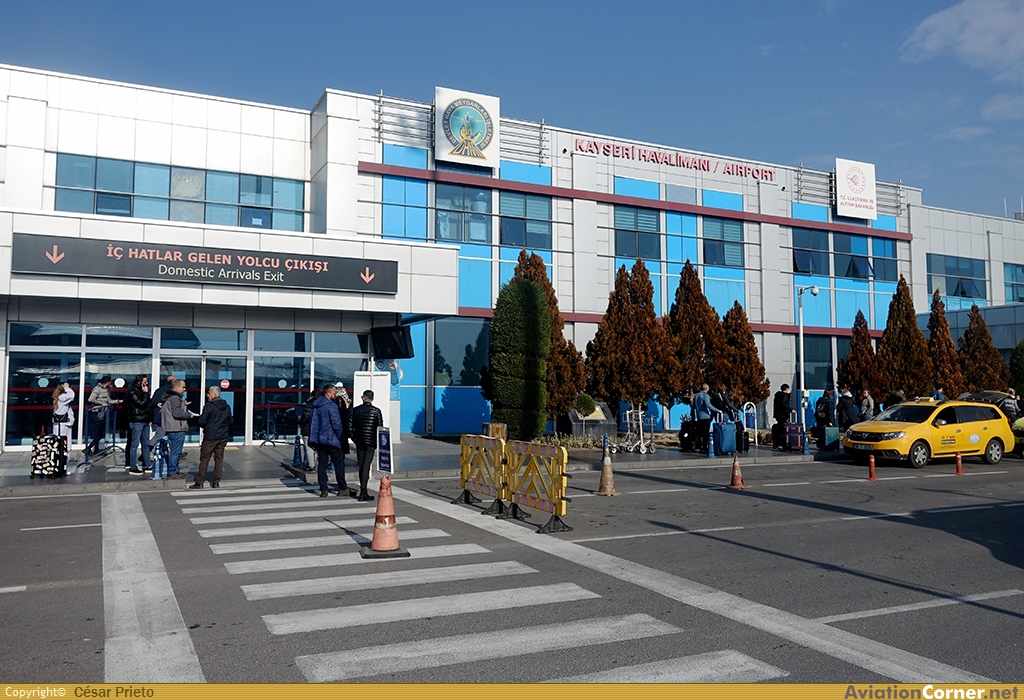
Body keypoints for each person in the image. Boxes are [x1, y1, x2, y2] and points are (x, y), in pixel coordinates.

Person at [309, 383, 349, 497]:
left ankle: (323, 489)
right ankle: (342, 488)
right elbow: (336, 424)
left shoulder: (316, 405)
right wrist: (341, 437)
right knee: (338, 464)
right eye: (334, 393)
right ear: (328, 393)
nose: (335, 394)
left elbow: (313, 423)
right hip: (331, 439)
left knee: (322, 464)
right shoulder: (331, 406)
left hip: (320, 440)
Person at [189, 386, 232, 489]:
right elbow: (230, 420)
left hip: (211, 436)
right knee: (219, 458)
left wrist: (205, 425)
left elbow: (202, 421)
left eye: (209, 393)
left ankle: (199, 482)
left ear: (215, 395)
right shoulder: (226, 406)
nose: (208, 395)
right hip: (222, 435)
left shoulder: (209, 406)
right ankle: (216, 482)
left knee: (205, 458)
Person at [349, 389, 384, 501]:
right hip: (371, 443)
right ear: (372, 399)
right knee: (366, 466)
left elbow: (349, 427)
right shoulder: (376, 411)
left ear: (363, 398)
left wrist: (354, 438)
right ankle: (363, 492)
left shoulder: (355, 410)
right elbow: (380, 428)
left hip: (359, 442)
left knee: (361, 465)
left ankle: (363, 490)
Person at [161, 379, 197, 479]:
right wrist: (189, 415)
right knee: (175, 452)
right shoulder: (175, 398)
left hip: (172, 428)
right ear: (176, 387)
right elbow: (177, 413)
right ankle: (173, 471)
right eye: (183, 387)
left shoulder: (170, 398)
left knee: (174, 451)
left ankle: (175, 470)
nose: (185, 389)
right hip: (177, 428)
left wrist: (183, 404)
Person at [85, 376, 121, 458]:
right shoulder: (97, 389)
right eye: (110, 382)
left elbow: (108, 400)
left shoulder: (105, 390)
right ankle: (89, 448)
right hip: (97, 413)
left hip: (102, 413)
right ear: (108, 382)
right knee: (98, 433)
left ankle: (94, 449)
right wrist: (100, 403)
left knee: (100, 433)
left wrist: (118, 401)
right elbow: (91, 399)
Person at [124, 375, 152, 474]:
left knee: (146, 444)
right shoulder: (132, 391)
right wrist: (145, 393)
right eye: (145, 382)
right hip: (136, 420)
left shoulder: (143, 392)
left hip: (145, 420)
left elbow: (148, 404)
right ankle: (133, 466)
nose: (146, 384)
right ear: (139, 382)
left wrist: (150, 418)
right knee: (134, 444)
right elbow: (141, 404)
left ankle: (147, 464)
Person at [298, 390, 319, 473]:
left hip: (308, 429)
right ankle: (316, 462)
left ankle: (311, 465)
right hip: (318, 429)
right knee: (317, 447)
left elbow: (305, 417)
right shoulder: (321, 404)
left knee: (308, 448)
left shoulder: (309, 405)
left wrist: (300, 422)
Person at [51, 381, 75, 450]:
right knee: (64, 441)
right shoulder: (62, 397)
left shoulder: (57, 398)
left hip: (59, 423)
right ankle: (64, 454)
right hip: (63, 424)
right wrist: (66, 387)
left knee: (59, 440)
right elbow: (71, 395)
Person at [692, 383, 714, 453]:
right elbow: (708, 404)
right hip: (706, 416)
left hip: (699, 417)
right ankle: (704, 447)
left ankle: (695, 444)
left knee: (699, 432)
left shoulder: (697, 396)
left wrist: (693, 416)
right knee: (705, 433)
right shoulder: (706, 395)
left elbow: (693, 407)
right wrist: (716, 410)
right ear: (707, 389)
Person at [772, 384, 794, 450]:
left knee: (779, 429)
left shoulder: (777, 396)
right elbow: (784, 404)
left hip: (777, 414)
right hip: (783, 415)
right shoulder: (785, 396)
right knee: (782, 430)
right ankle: (780, 444)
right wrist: (791, 410)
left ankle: (776, 444)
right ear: (786, 389)